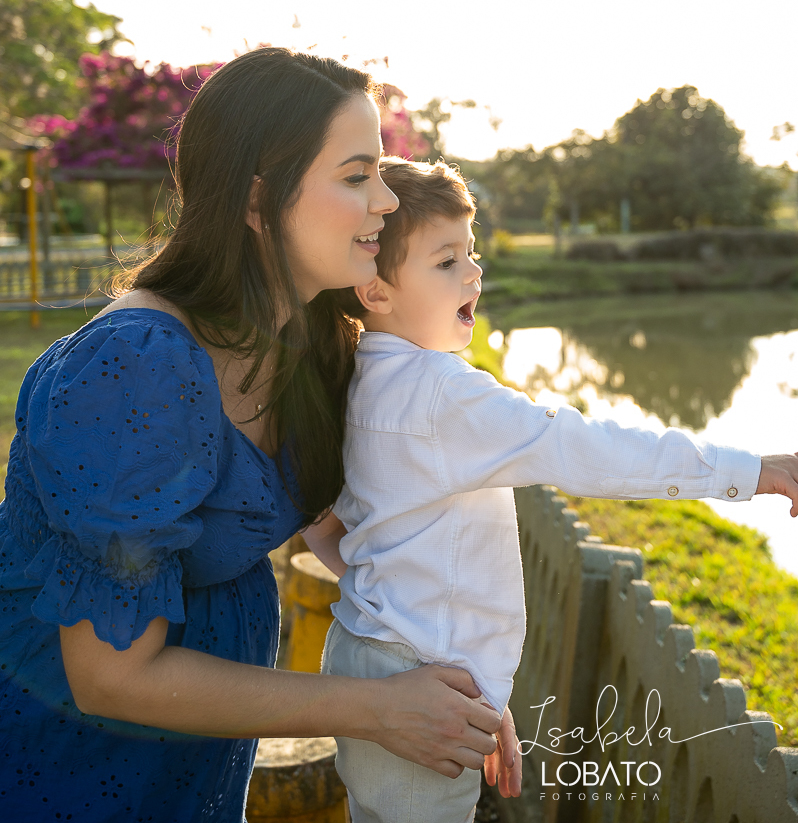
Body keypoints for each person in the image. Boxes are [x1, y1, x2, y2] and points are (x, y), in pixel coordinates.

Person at [0, 49, 512, 823]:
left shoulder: (310, 340)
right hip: (66, 775)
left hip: (196, 780)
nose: (385, 201)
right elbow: (111, 676)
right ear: (257, 198)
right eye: (356, 175)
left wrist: (457, 686)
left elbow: (353, 538)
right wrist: (378, 707)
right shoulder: (134, 370)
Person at [309, 156, 798, 823]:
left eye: (472, 252)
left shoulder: (360, 378)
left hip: (375, 664)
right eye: (446, 260)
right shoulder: (440, 393)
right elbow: (580, 446)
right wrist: (750, 469)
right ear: (376, 292)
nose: (474, 272)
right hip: (414, 680)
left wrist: (474, 684)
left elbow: (327, 527)